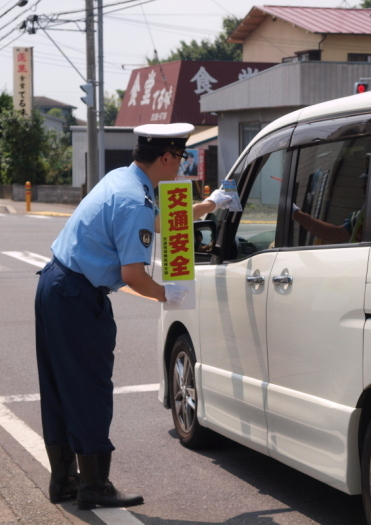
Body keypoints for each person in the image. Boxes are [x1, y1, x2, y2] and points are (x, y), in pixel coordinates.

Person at [34, 122, 232, 510]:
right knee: (90, 388)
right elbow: (133, 275)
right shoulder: (134, 200)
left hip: (54, 285)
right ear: (166, 157)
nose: (182, 165)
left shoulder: (123, 181)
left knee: (59, 387)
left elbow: (160, 221)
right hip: (77, 295)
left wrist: (211, 205)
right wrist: (166, 294)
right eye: (181, 157)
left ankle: (65, 481)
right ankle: (94, 486)